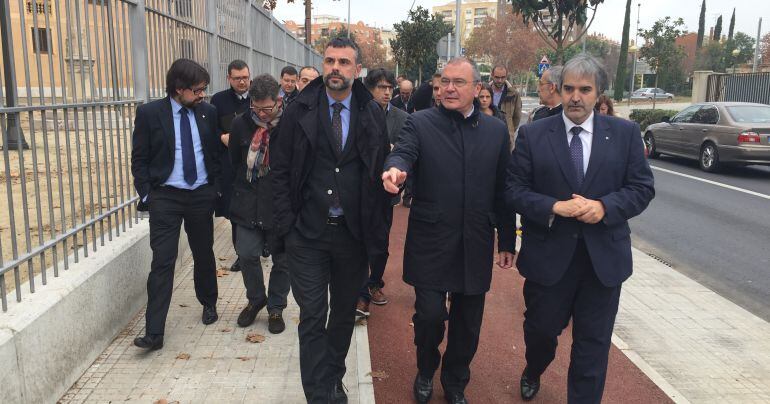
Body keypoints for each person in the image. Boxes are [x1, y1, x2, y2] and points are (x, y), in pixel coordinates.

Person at [506, 54, 655, 403]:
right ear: (558, 90)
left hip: (602, 262)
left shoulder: (625, 134)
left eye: (585, 90)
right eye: (569, 88)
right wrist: (554, 207)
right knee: (541, 333)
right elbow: (513, 190)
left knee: (593, 345)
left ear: (598, 93)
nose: (575, 97)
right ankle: (534, 367)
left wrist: (605, 207)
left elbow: (642, 188)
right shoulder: (533, 134)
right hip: (549, 259)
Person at [383, 57, 516, 404]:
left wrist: (507, 238)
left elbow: (503, 189)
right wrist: (395, 170)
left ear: (477, 88)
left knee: (467, 324)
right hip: (431, 240)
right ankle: (426, 369)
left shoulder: (496, 131)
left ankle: (456, 382)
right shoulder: (420, 123)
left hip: (475, 240)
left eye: (459, 82)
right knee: (428, 316)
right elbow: (403, 154)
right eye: (445, 81)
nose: (450, 88)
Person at [271, 37, 391, 404]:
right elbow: (279, 171)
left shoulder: (371, 113)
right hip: (306, 234)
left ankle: (332, 377)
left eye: (343, 62)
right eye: (329, 61)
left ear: (357, 70)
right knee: (312, 315)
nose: (335, 68)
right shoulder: (298, 110)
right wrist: (287, 227)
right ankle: (320, 396)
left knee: (341, 316)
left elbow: (378, 170)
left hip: (353, 236)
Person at [131, 58, 221, 350]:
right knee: (163, 262)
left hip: (200, 195)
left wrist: (215, 190)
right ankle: (154, 332)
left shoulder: (208, 112)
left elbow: (215, 154)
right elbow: (140, 158)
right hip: (166, 197)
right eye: (197, 90)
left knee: (203, 253)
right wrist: (147, 194)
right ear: (179, 89)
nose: (202, 95)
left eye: (204, 89)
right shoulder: (149, 113)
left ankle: (208, 303)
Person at [228, 74, 291, 334]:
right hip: (248, 202)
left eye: (268, 108)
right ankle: (256, 299)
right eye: (257, 108)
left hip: (281, 203)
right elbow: (234, 162)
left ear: (278, 100)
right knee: (247, 254)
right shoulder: (240, 124)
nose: (262, 114)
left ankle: (276, 306)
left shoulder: (291, 124)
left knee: (283, 260)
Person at [355, 68, 409, 319]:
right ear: (370, 88)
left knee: (380, 241)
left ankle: (374, 283)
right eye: (381, 87)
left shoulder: (401, 117)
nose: (387, 92)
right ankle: (360, 292)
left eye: (390, 88)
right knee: (358, 242)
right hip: (360, 189)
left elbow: (408, 147)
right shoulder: (358, 111)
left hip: (386, 190)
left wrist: (393, 153)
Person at [210, 59, 251, 272]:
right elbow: (211, 128)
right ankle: (241, 254)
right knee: (235, 211)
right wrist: (221, 137)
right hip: (230, 164)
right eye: (237, 79)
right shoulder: (219, 100)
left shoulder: (257, 98)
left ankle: (260, 246)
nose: (242, 82)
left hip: (255, 162)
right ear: (229, 79)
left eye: (245, 77)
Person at [490, 65, 522, 147]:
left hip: (505, 138)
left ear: (506, 76)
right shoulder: (484, 92)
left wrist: (509, 131)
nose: (500, 80)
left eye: (503, 77)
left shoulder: (514, 94)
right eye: (497, 77)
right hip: (486, 135)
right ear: (492, 75)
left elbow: (517, 117)